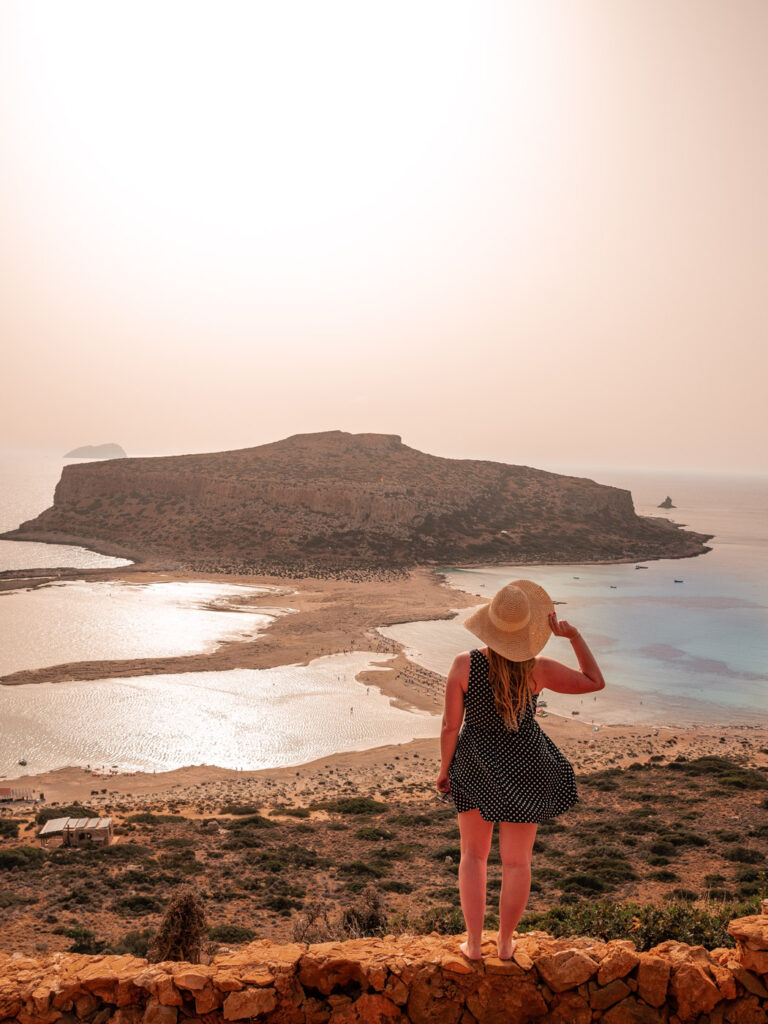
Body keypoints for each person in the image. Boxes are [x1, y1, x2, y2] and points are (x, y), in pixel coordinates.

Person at [435, 579, 605, 961]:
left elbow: (449, 726)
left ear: (489, 624)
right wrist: (573, 636)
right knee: (516, 862)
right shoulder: (538, 669)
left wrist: (445, 769)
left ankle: (475, 945)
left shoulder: (464, 664)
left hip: (475, 765)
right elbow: (595, 681)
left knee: (473, 857)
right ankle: (506, 943)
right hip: (526, 764)